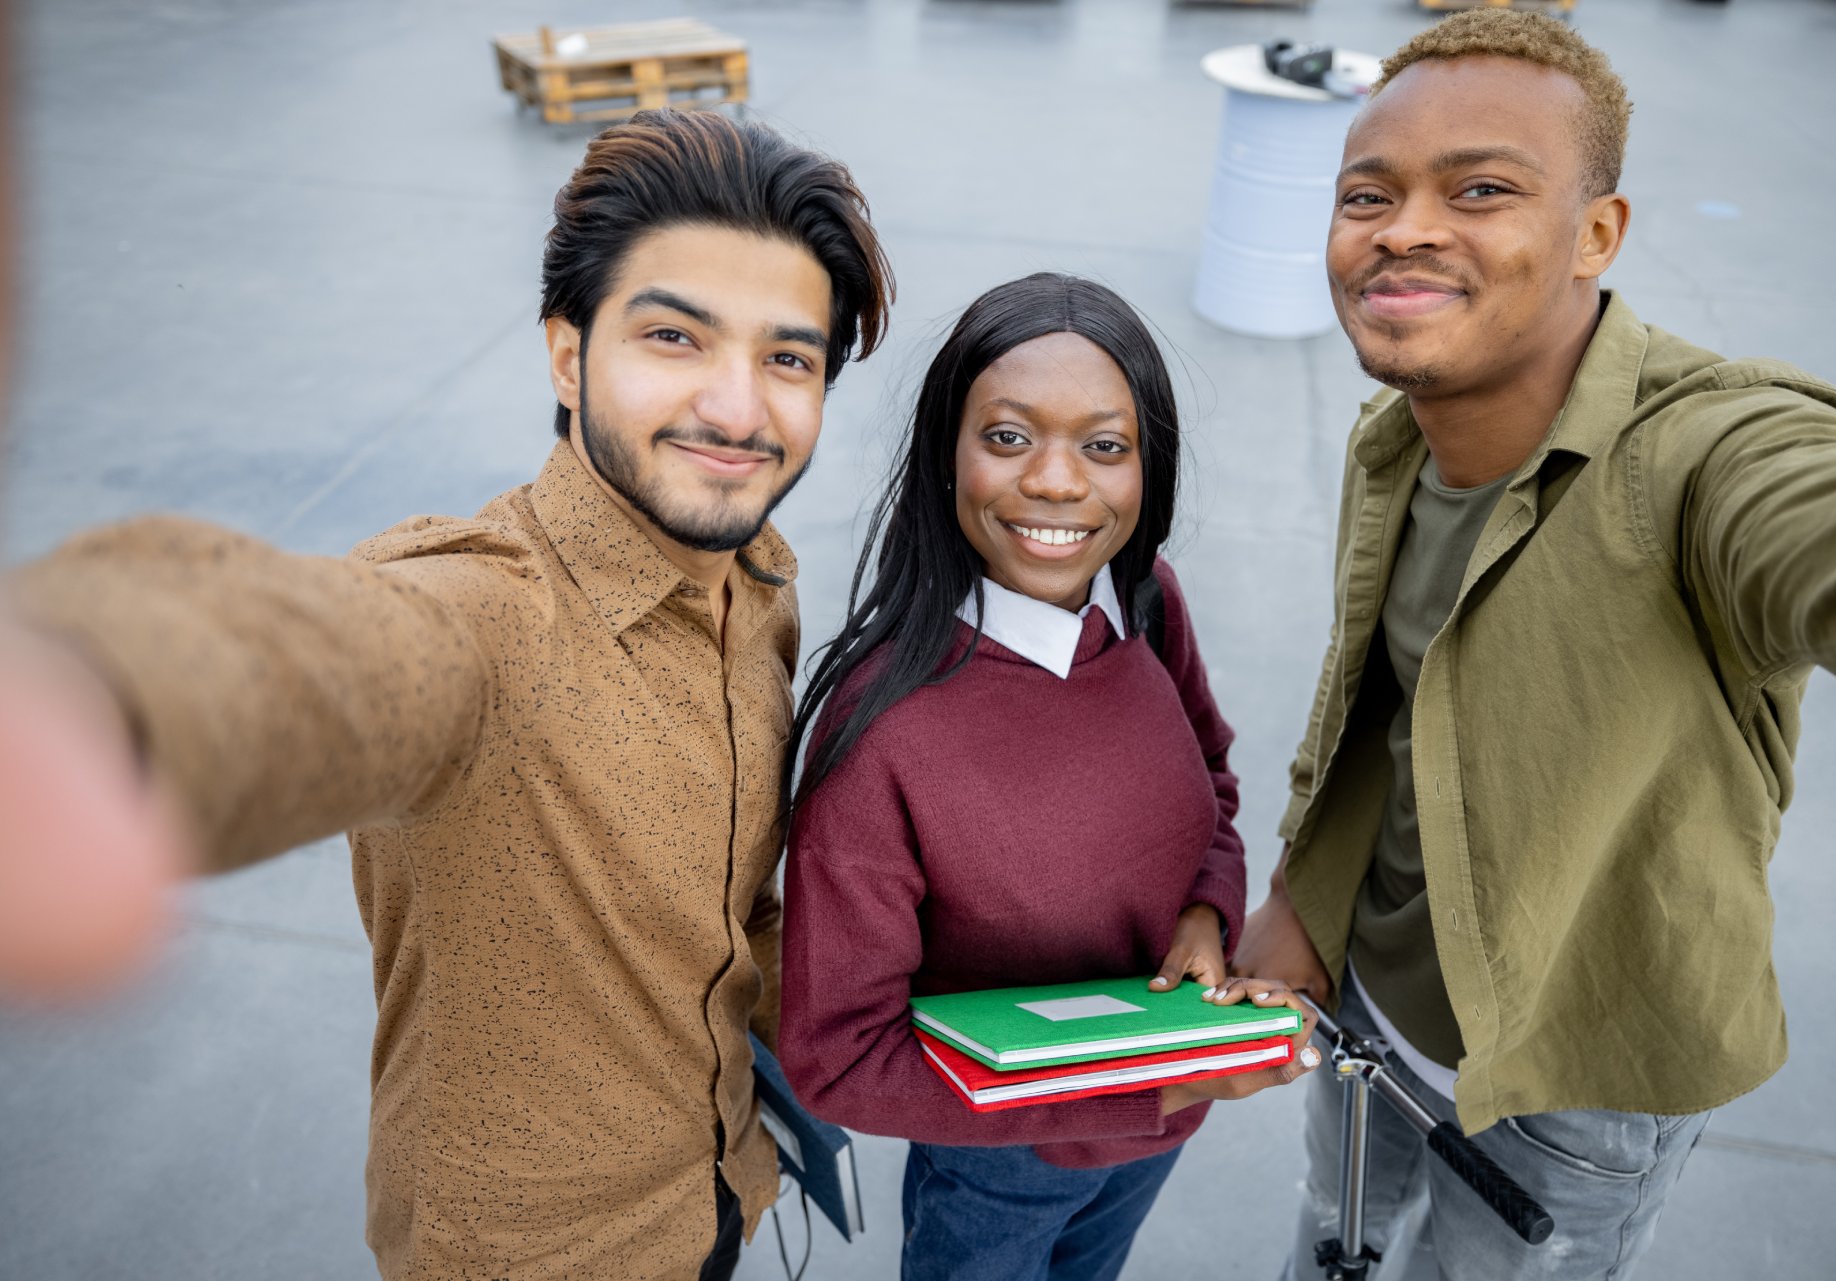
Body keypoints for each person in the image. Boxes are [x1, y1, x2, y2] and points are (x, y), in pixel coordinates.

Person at [2, 108, 892, 1280]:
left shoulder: (759, 588)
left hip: (724, 1187)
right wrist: (96, 686)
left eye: (788, 358)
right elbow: (333, 654)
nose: (739, 410)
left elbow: (729, 926)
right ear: (568, 355)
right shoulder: (486, 617)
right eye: (674, 337)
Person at [1229, 12, 1836, 1280]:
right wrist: (1300, 896)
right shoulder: (1393, 444)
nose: (1404, 228)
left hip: (1572, 1088)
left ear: (1597, 234)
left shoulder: (1708, 452)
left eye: (1480, 189)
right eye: (1367, 194)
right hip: (1372, 1013)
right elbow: (1385, 708)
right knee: (1335, 1260)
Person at [778, 273, 1320, 1281]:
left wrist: (1206, 916)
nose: (1059, 483)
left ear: (1147, 468)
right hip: (1001, 1166)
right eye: (1008, 437)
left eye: (1104, 446)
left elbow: (1212, 781)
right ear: (946, 453)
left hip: (1156, 1136)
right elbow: (837, 1058)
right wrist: (1142, 1094)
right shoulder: (884, 729)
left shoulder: (1147, 604)